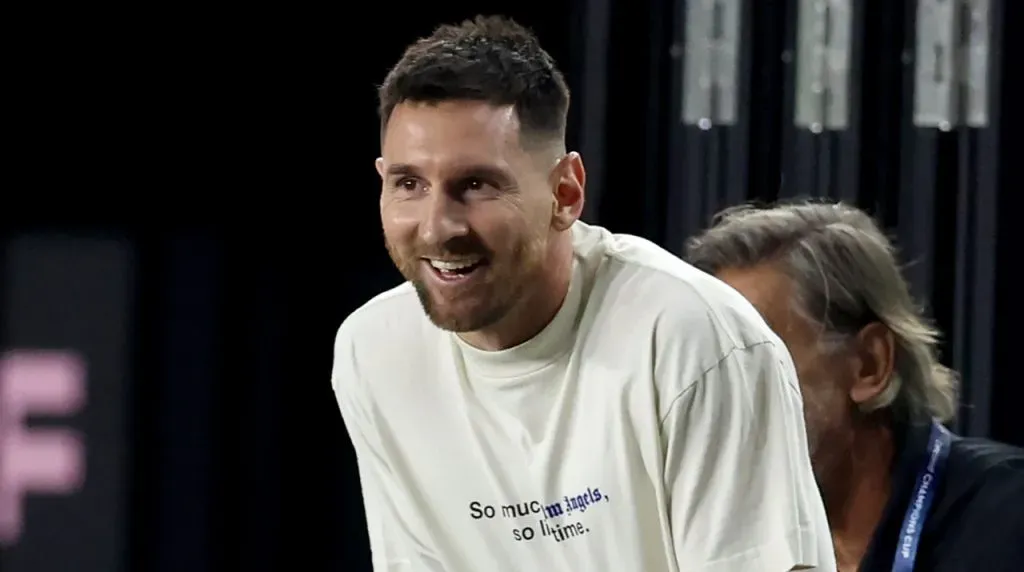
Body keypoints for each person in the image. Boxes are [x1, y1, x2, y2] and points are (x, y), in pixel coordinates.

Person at [331, 15, 835, 572]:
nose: (435, 228)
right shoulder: (374, 350)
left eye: (475, 185)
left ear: (566, 193)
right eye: (409, 184)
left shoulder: (692, 339)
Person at [685, 201, 1024, 572]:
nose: (718, 402)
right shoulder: (719, 542)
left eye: (754, 362)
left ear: (869, 364)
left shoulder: (1008, 520)